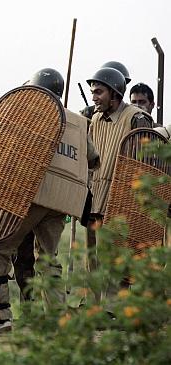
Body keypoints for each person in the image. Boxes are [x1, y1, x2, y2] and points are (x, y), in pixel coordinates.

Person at [0, 68, 100, 335]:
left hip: (32, 195)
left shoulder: (28, 114)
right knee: (48, 258)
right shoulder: (76, 122)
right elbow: (94, 160)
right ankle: (57, 320)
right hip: (62, 201)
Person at [85, 67, 153, 293]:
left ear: (114, 93)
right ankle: (93, 310)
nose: (93, 97)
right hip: (95, 197)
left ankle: (113, 311)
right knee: (93, 257)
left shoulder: (137, 118)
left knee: (116, 258)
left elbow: (146, 164)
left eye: (99, 92)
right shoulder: (94, 118)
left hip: (122, 199)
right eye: (93, 92)